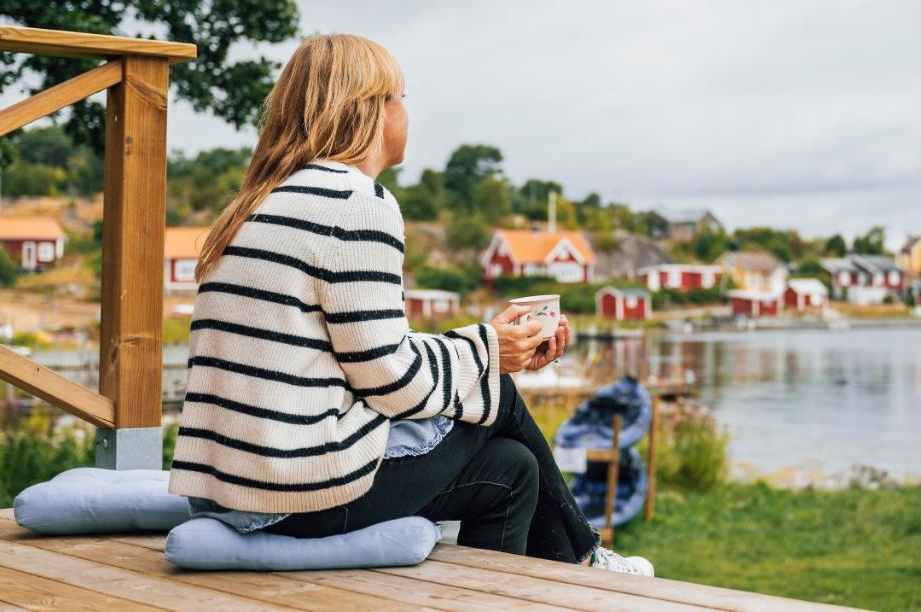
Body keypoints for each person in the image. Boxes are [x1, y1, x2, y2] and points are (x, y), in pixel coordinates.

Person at [166, 33, 653, 575]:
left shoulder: (258, 203)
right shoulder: (355, 202)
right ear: (370, 111)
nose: (405, 111)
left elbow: (358, 351)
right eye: (399, 96)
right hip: (291, 494)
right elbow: (389, 380)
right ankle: (588, 558)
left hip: (228, 488)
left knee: (510, 469)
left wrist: (489, 346)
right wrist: (492, 353)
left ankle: (553, 579)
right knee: (500, 393)